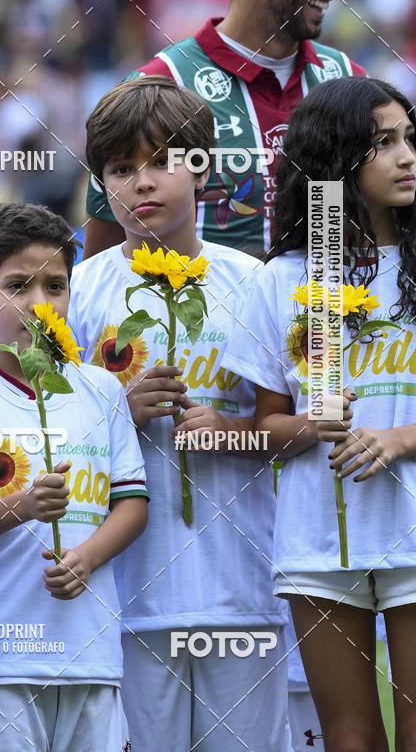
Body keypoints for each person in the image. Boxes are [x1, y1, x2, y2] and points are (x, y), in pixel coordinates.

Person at [69, 76, 292, 750]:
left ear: (205, 172)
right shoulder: (80, 290)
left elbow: (298, 433)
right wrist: (119, 414)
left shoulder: (254, 283)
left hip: (242, 594)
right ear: (102, 183)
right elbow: (53, 439)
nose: (143, 183)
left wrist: (232, 435)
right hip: (129, 600)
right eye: (121, 169)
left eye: (164, 162)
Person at [222, 76, 416, 747]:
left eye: (410, 139)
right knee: (349, 737)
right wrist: (312, 425)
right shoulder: (280, 281)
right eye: (383, 144)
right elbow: (267, 427)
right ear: (335, 160)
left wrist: (396, 439)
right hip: (317, 541)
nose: (407, 156)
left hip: (412, 531)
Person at [0, 201, 149, 751]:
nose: (39, 303)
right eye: (18, 286)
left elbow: (132, 503)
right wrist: (24, 506)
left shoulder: (101, 390)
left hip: (93, 655)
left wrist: (89, 557)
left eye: (55, 286)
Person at [83, 0, 366, 260]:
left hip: (323, 318)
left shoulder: (349, 81)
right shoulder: (156, 86)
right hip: (198, 322)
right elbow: (102, 271)